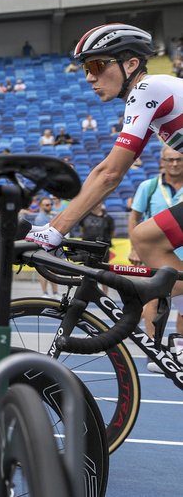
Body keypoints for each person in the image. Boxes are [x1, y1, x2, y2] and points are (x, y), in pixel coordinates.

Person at [27, 25, 183, 314]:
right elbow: (109, 170)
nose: (89, 77)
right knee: (146, 237)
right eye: (86, 68)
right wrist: (52, 227)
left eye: (97, 65)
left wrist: (54, 232)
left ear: (131, 64)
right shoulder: (153, 97)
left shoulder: (148, 89)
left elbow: (110, 174)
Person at [129, 145, 183, 348]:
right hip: (157, 253)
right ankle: (155, 348)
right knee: (154, 298)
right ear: (163, 162)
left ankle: (180, 350)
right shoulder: (148, 186)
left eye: (179, 159)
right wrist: (135, 247)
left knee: (182, 305)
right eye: (170, 159)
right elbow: (134, 218)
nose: (175, 163)